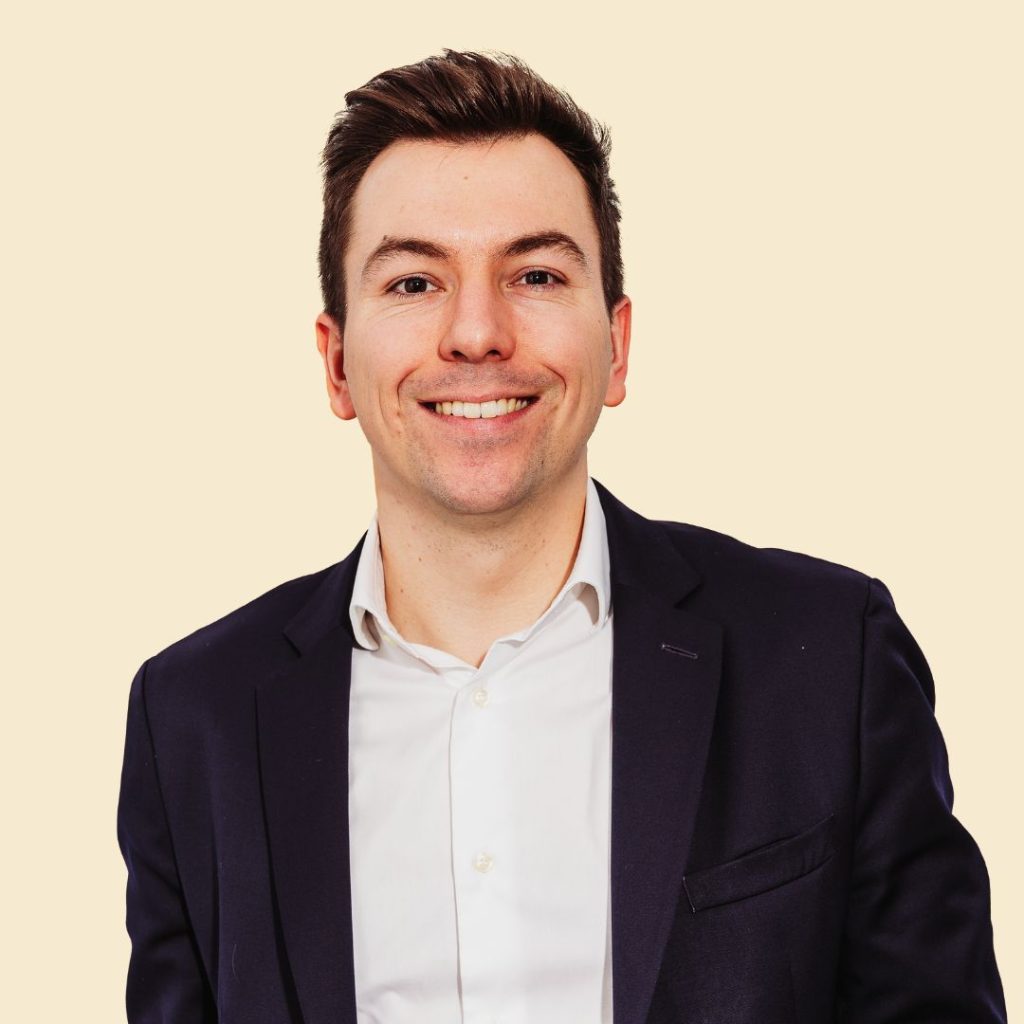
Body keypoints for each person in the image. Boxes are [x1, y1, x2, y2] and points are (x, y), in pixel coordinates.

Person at [116, 49, 1006, 1024]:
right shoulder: (192, 719)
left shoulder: (830, 659)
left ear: (617, 345)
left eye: (535, 273)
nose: (476, 332)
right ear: (335, 364)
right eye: (413, 282)